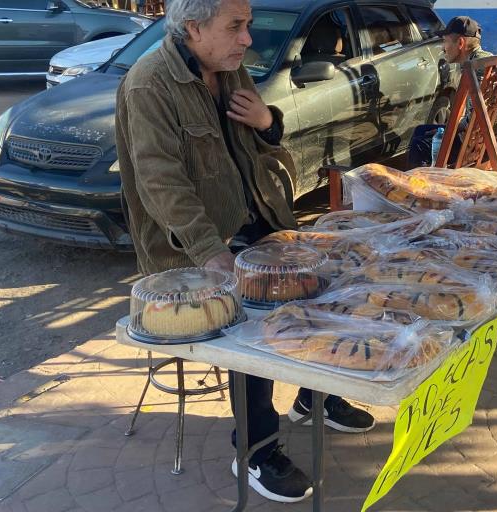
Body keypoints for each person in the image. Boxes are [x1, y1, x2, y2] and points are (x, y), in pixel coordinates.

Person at [115, 0, 374, 503]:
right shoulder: (150, 85)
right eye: (236, 26)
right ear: (193, 27)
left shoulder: (230, 71)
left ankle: (313, 395)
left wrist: (268, 120)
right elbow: (161, 185)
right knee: (251, 332)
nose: (247, 39)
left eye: (248, 25)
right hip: (192, 247)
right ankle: (257, 449)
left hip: (262, 222)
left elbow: (265, 140)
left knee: (322, 290)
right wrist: (215, 255)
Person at [408, 16, 493, 168]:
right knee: (421, 130)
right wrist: (448, 128)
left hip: (481, 145)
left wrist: (450, 130)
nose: (443, 47)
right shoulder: (489, 59)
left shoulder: (474, 68)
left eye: (445, 41)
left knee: (419, 144)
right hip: (489, 138)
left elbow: (475, 119)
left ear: (460, 43)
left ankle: (423, 187)